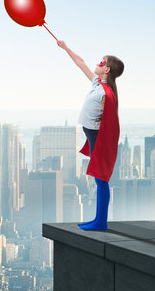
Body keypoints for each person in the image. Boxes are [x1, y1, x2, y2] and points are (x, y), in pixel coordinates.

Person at [57, 40, 124, 231]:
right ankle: (98, 220)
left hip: (98, 139)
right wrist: (66, 48)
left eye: (102, 62)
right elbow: (81, 63)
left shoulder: (106, 94)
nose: (98, 63)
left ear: (107, 70)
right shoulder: (97, 83)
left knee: (101, 179)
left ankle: (100, 222)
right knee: (98, 180)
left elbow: (111, 124)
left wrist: (105, 149)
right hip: (93, 136)